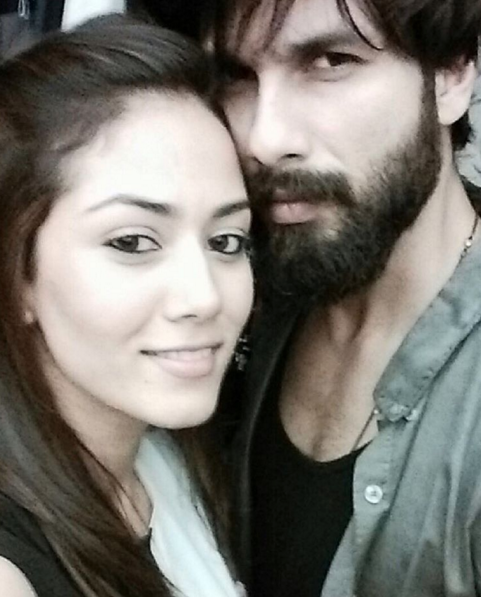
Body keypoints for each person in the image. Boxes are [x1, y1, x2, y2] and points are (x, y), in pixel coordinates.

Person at [203, 0, 481, 595]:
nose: (264, 140)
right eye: (239, 76)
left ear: (452, 75)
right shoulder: (235, 286)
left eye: (330, 61)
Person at [0, 15, 253, 597]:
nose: (204, 297)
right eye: (133, 242)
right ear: (17, 275)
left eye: (226, 241)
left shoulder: (170, 456)